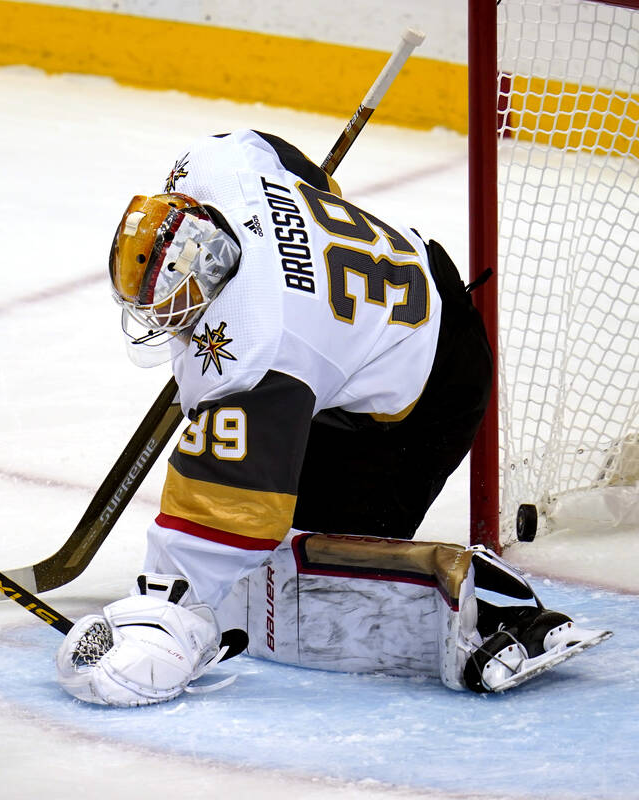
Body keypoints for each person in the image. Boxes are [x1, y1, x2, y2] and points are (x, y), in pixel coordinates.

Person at [55, 129, 609, 705]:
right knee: (264, 554)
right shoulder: (219, 165)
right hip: (400, 296)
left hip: (429, 394)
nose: (165, 317)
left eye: (170, 301)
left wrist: (159, 613)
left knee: (301, 564)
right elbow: (290, 161)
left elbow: (224, 514)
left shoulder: (258, 346)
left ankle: (501, 618)